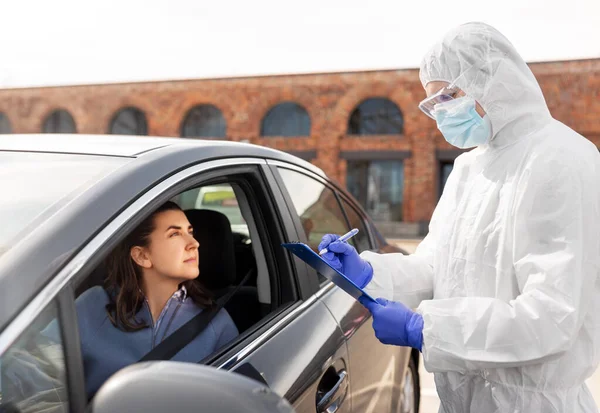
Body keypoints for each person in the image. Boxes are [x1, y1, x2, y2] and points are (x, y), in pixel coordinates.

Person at [319, 22, 600, 412]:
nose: (441, 113)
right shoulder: (469, 170)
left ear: (492, 81)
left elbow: (551, 317)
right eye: (432, 104)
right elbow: (439, 266)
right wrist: (370, 273)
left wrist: (426, 329)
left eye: (448, 96)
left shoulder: (561, 160)